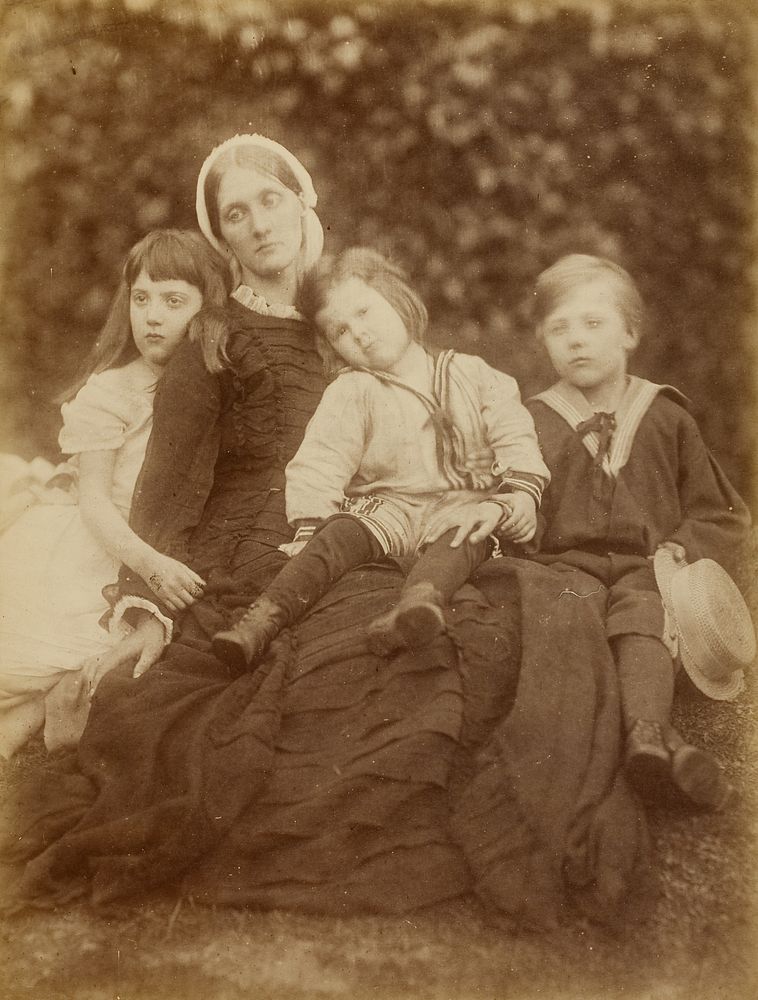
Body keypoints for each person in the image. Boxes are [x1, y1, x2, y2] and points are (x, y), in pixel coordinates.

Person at [0, 139, 650, 931]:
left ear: (302, 202)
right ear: (221, 237)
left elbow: (431, 418)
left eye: (269, 200)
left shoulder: (349, 309)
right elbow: (172, 478)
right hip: (254, 542)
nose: (256, 224)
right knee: (257, 695)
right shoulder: (215, 335)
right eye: (234, 214)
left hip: (374, 525)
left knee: (474, 637)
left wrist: (491, 496)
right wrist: (146, 598)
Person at [211, 247, 549, 672]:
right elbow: (321, 461)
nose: (361, 334)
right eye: (341, 331)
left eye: (365, 312)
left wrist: (519, 495)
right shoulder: (355, 389)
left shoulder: (472, 373)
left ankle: (417, 606)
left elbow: (514, 432)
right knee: (338, 535)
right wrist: (310, 528)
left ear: (397, 297)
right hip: (387, 509)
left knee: (465, 536)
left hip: (462, 506)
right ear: (332, 346)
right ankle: (262, 620)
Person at [526, 253, 752, 810]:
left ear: (630, 333)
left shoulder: (666, 416)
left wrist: (680, 546)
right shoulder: (531, 420)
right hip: (564, 569)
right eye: (560, 328)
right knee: (567, 627)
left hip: (643, 567)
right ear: (543, 341)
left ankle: (649, 732)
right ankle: (660, 748)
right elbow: (519, 500)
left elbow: (720, 513)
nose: (576, 340)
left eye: (593, 323)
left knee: (642, 617)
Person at [0, 229, 230, 758]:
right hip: (94, 550)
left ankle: (33, 726)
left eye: (173, 302)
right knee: (36, 658)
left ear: (206, 310)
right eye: (141, 299)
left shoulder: (210, 390)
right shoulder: (113, 391)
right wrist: (150, 565)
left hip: (145, 554)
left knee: (52, 688)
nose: (152, 317)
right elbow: (96, 503)